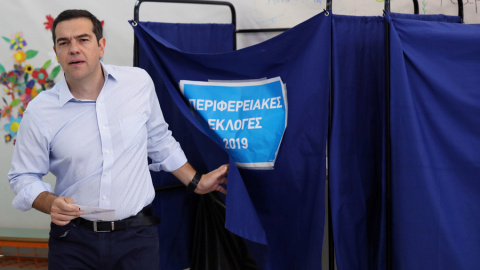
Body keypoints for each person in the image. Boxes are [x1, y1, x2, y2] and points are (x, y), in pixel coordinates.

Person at [8, 9, 228, 270]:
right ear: (56, 52)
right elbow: (22, 177)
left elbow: (158, 140)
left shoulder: (138, 83)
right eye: (64, 42)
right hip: (73, 240)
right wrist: (49, 202)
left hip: (137, 237)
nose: (74, 49)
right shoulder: (40, 111)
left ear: (101, 46)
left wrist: (196, 182)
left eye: (83, 39)